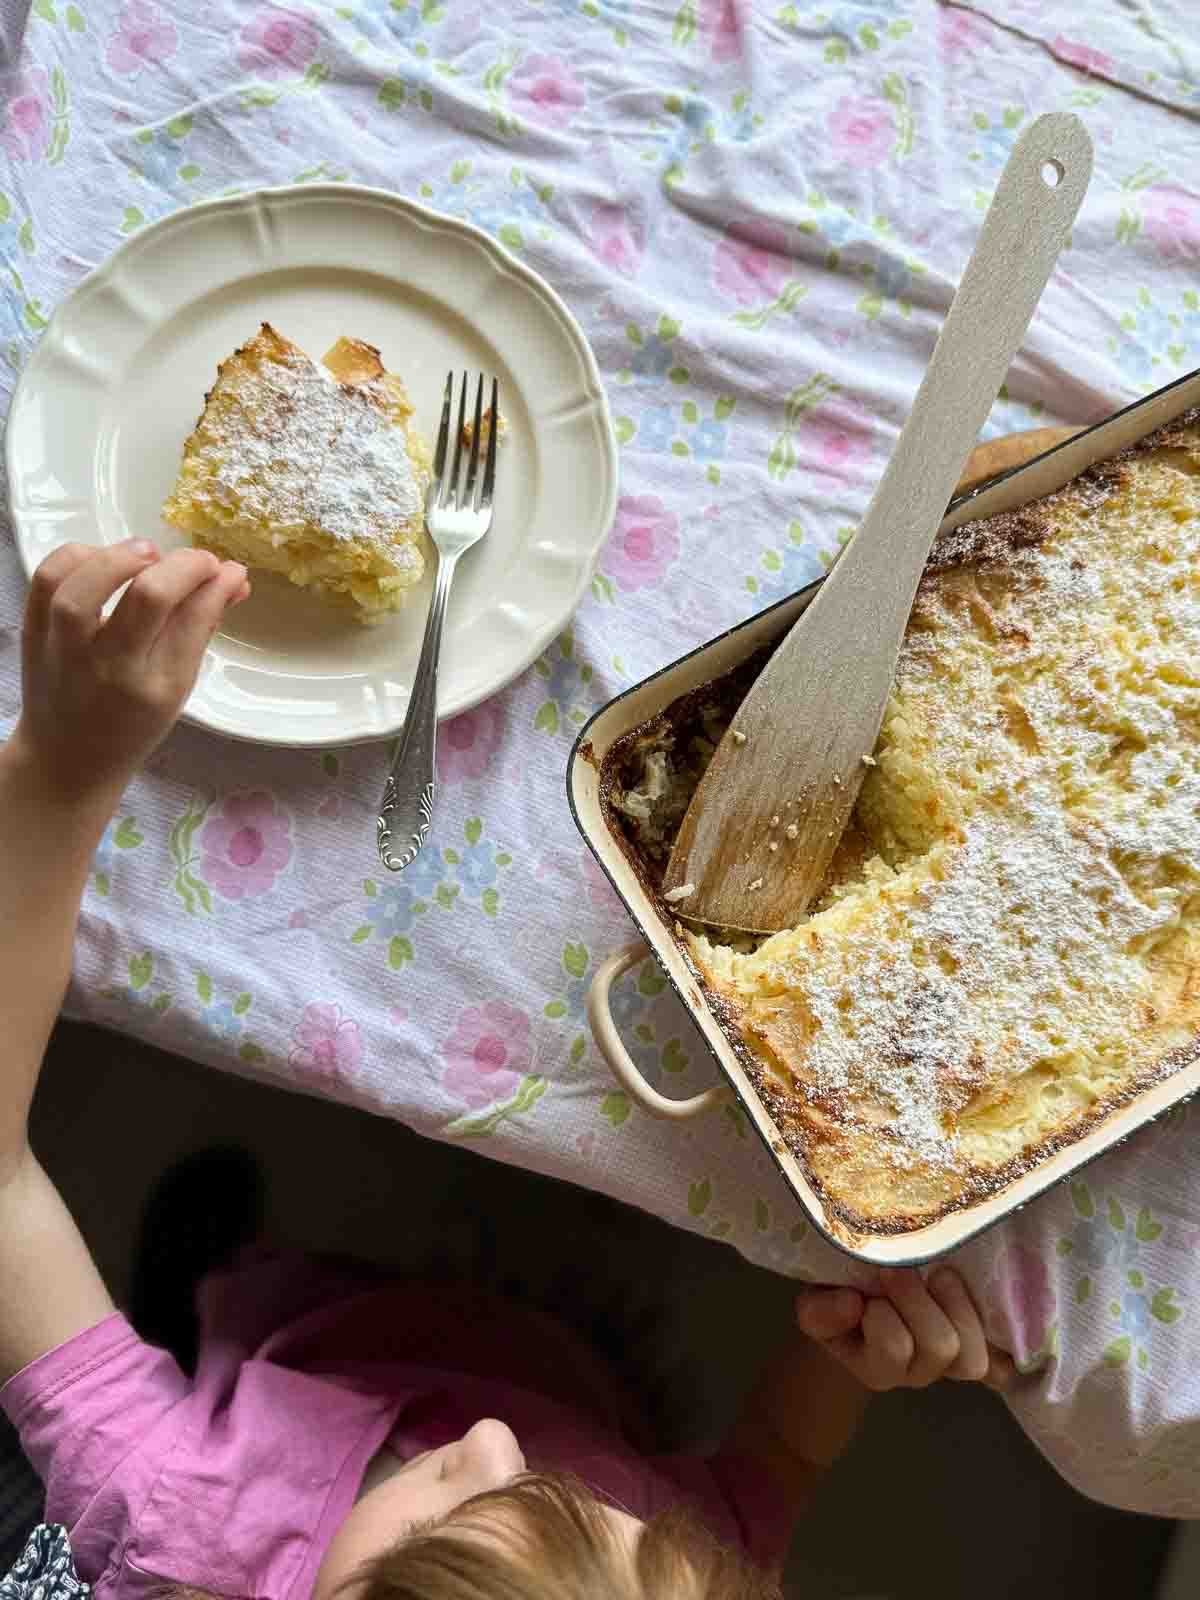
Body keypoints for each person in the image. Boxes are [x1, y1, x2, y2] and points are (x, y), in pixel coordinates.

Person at [0, 541, 1016, 1600]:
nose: (489, 1439)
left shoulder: (176, 1517)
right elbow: (777, 1460)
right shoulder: (686, 1572)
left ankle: (192, 1303)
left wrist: (58, 772)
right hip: (577, 1361)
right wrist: (849, 1360)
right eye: (580, 1504)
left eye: (443, 1522)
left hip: (299, 1346)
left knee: (218, 1303)